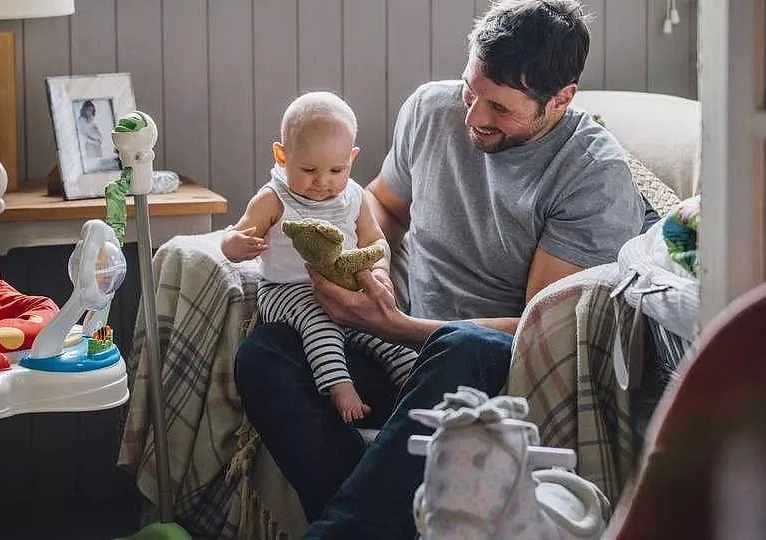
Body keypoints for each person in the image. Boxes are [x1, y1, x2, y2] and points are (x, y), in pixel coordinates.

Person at [235, 1, 646, 537]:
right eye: (470, 90)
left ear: (561, 98)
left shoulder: (593, 176)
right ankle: (357, 521)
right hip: (398, 349)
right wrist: (370, 265)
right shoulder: (431, 110)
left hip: (491, 365)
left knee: (465, 347)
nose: (474, 117)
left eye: (499, 108)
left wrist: (397, 327)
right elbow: (381, 206)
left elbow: (538, 325)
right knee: (264, 353)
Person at [221, 92, 419, 423]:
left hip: (346, 287)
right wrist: (236, 246)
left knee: (383, 333)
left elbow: (376, 242)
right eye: (309, 169)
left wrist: (380, 273)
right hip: (288, 291)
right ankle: (340, 388)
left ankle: (414, 382)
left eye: (336, 169)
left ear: (352, 159)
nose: (322, 182)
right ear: (282, 155)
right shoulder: (274, 199)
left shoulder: (354, 196)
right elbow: (234, 237)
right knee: (319, 322)